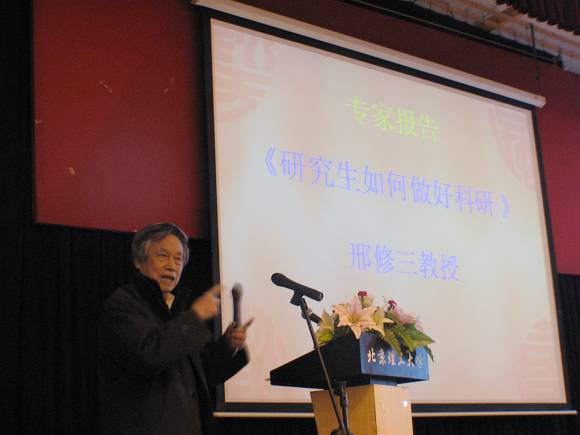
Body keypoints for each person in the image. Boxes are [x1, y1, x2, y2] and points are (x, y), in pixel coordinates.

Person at [98, 222, 250, 435]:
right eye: (163, 256)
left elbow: (198, 376)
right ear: (139, 261)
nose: (172, 266)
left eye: (178, 259)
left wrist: (226, 345)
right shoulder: (123, 305)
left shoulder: (176, 311)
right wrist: (195, 316)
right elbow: (149, 356)